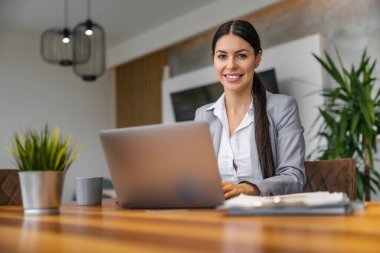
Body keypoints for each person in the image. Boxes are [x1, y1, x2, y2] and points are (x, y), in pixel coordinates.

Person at [194, 20, 306, 200]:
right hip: (214, 216)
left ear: (258, 58)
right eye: (222, 56)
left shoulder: (282, 108)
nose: (230, 65)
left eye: (241, 55)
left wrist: (247, 189)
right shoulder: (203, 115)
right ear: (213, 59)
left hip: (265, 219)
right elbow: (196, 177)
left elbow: (294, 178)